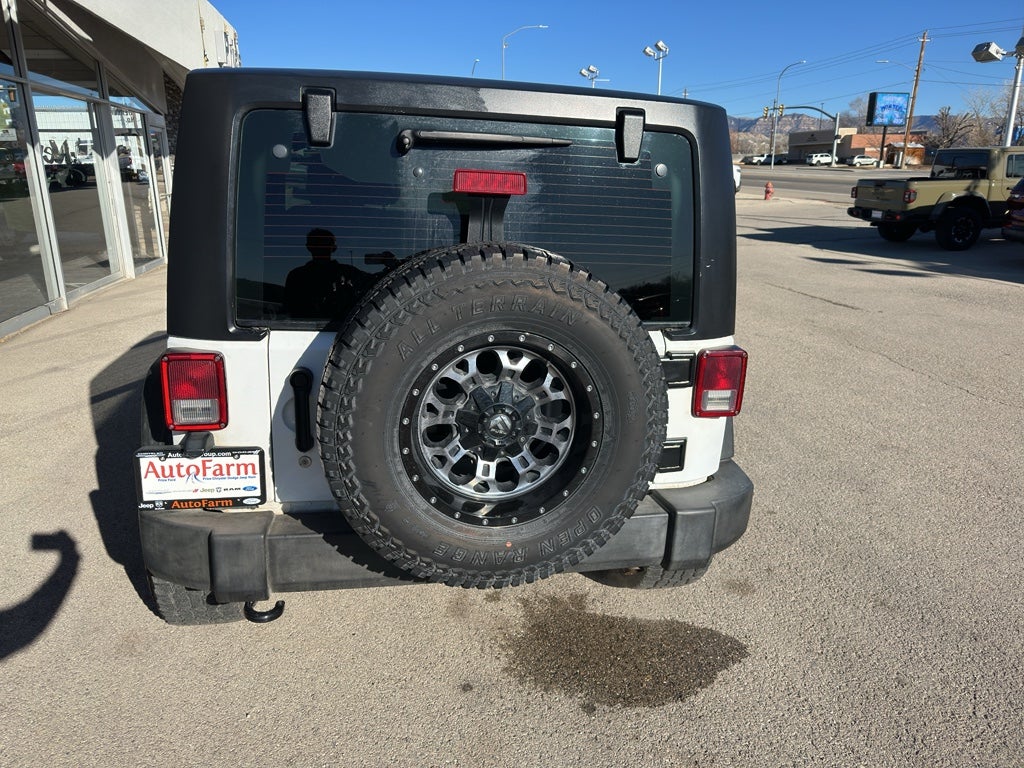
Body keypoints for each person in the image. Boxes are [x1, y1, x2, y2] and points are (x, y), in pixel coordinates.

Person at [284, 228, 368, 319]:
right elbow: (290, 309)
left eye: (325, 243)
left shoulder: (349, 273)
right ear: (309, 246)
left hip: (346, 326)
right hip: (305, 327)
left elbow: (376, 283)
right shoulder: (297, 276)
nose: (321, 247)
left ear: (333, 247)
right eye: (317, 243)